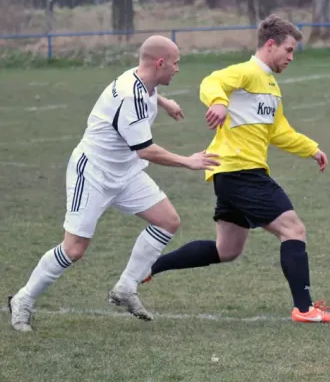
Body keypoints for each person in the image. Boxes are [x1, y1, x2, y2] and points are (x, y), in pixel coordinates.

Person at [8, 35, 220, 332]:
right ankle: (23, 299)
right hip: (93, 172)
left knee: (167, 221)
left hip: (126, 172)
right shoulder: (129, 94)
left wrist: (164, 101)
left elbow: (145, 93)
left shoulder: (145, 82)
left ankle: (125, 287)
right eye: (175, 63)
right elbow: (145, 149)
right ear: (160, 63)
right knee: (74, 249)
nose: (178, 69)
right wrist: (188, 161)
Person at [141, 14, 330, 323]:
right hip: (241, 171)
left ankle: (151, 266)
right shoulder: (247, 72)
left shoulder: (271, 86)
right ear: (271, 45)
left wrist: (311, 149)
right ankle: (304, 309)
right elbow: (212, 82)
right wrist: (219, 103)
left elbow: (278, 132)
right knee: (293, 229)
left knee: (227, 249)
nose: (291, 57)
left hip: (232, 174)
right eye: (289, 50)